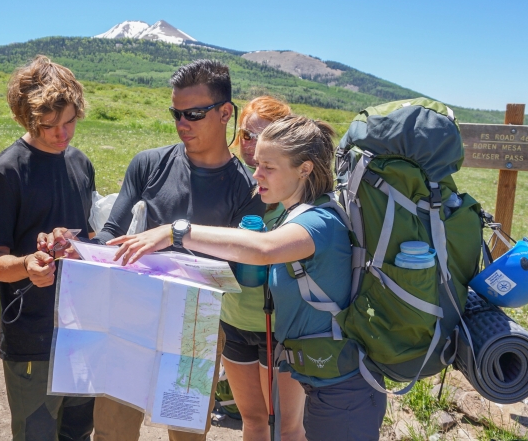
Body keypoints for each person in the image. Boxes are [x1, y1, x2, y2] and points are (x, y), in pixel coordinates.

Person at [108, 115, 388, 440]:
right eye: (257, 164)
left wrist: (176, 232)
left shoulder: (319, 221)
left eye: (268, 166)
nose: (256, 173)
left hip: (339, 389)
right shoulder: (299, 214)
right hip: (318, 373)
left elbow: (264, 249)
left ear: (305, 169)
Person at [80, 59, 265, 441]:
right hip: (131, 320)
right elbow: (111, 233)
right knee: (112, 432)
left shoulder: (247, 189)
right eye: (176, 113)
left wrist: (174, 239)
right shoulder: (148, 164)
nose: (182, 124)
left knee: (187, 434)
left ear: (225, 113)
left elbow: (240, 264)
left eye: (194, 114)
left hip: (195, 329)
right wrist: (76, 249)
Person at [0, 55, 96, 441]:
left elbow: (90, 238)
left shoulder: (80, 163)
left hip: (83, 331)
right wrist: (29, 264)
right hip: (32, 338)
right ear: (26, 120)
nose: (62, 135)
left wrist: (81, 246)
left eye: (70, 122)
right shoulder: (8, 170)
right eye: (50, 126)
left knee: (78, 434)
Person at [223, 96, 306, 440]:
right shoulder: (232, 183)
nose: (250, 145)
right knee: (253, 420)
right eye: (245, 135)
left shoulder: (295, 194)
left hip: (281, 327)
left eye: (260, 136)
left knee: (288, 426)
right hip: (234, 319)